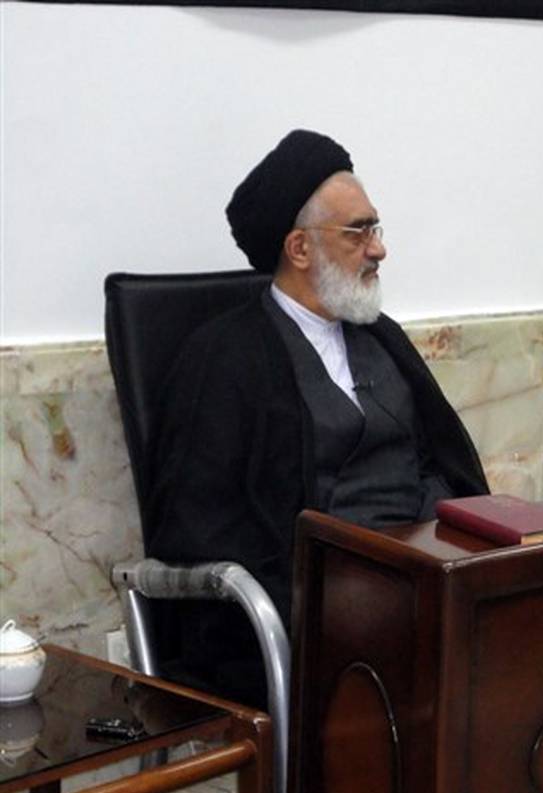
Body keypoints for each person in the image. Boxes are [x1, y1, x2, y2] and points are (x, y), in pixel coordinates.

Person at [148, 130, 488, 707]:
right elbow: (197, 525)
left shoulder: (382, 338)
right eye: (358, 232)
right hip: (311, 605)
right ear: (299, 249)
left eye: (375, 229)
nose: (378, 250)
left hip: (423, 576)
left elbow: (441, 461)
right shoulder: (223, 357)